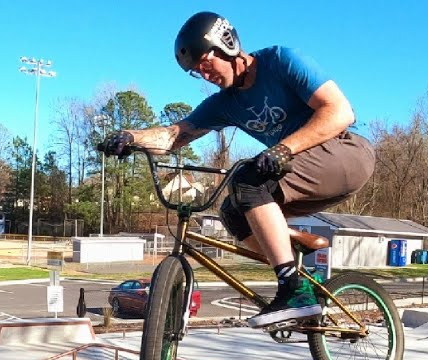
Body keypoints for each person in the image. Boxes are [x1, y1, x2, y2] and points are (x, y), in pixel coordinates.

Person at [100, 12, 375, 328]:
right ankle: (296, 255)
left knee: (246, 180)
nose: (205, 76)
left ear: (226, 46)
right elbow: (176, 134)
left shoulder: (281, 61)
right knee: (233, 211)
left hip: (345, 154)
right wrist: (131, 137)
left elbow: (340, 111)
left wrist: (284, 149)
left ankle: (292, 289)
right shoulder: (225, 104)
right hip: (301, 173)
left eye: (206, 65)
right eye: (196, 73)